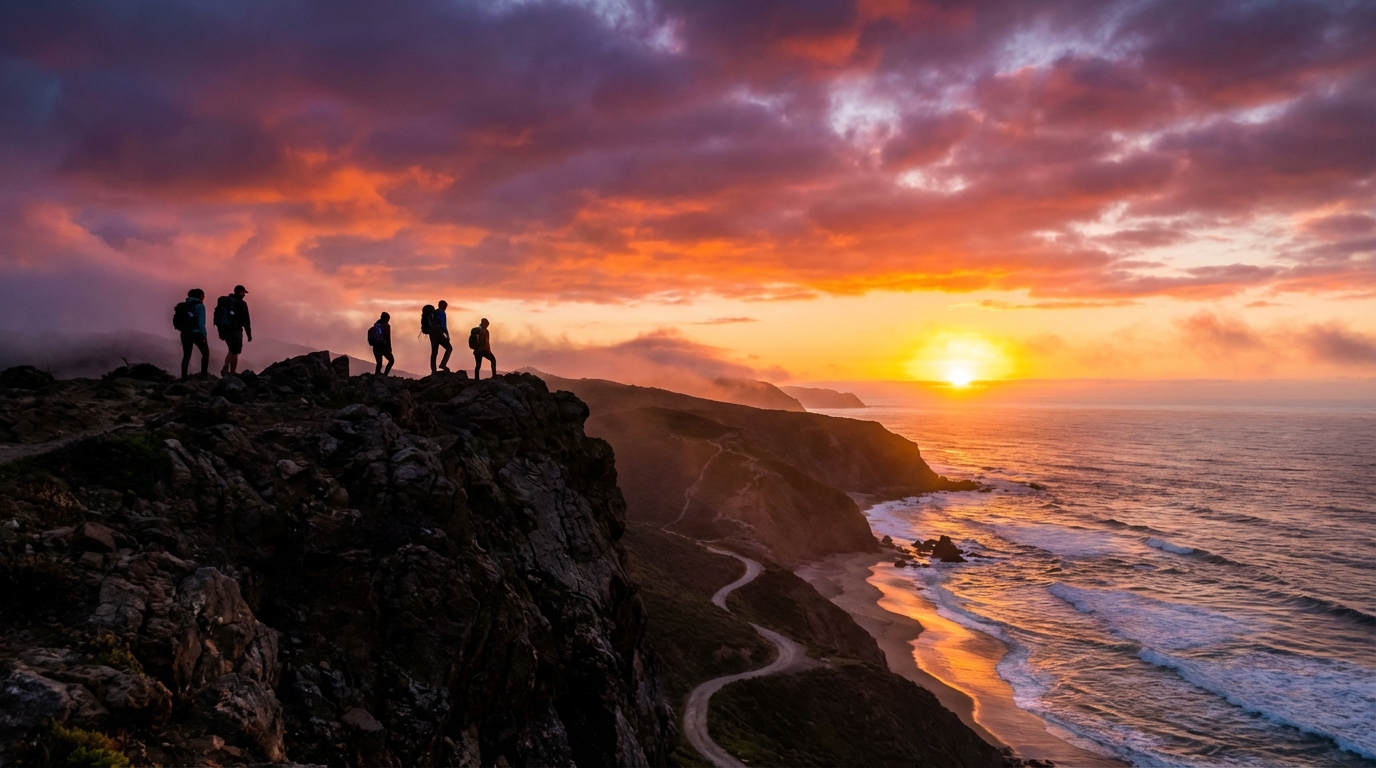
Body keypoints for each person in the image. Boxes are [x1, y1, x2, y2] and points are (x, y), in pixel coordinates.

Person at [215, 284, 252, 375]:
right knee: (235, 352)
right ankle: (228, 369)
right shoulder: (241, 303)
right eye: (243, 292)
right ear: (240, 292)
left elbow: (218, 316)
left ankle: (230, 371)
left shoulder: (225, 302)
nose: (244, 295)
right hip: (236, 330)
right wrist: (249, 334)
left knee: (231, 350)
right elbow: (246, 320)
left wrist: (220, 332)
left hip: (225, 329)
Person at [175, 288, 209, 379]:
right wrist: (204, 335)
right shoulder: (200, 306)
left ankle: (184, 377)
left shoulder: (185, 305)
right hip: (197, 333)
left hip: (185, 333)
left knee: (186, 355)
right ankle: (204, 375)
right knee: (205, 353)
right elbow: (201, 323)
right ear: (201, 296)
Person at [428, 299, 452, 374]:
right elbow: (443, 326)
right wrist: (447, 335)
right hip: (439, 334)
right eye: (445, 307)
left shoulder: (433, 313)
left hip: (432, 334)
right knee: (449, 348)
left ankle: (433, 370)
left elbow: (430, 323)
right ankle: (443, 364)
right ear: (443, 306)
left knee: (434, 352)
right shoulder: (441, 313)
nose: (445, 308)